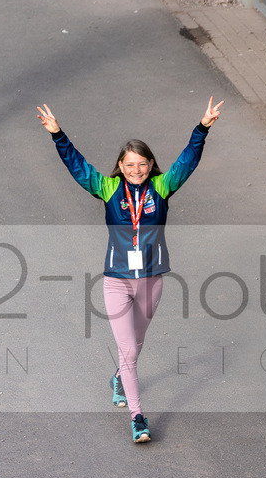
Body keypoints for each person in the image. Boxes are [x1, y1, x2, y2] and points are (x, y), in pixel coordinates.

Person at [37, 98, 224, 443]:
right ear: (120, 166)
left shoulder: (162, 187)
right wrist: (58, 135)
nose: (136, 169)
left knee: (137, 345)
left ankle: (119, 378)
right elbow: (78, 166)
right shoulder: (107, 189)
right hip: (117, 282)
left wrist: (203, 128)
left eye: (141, 164)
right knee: (128, 351)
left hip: (152, 281)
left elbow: (188, 161)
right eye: (129, 164)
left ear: (151, 164)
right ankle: (138, 417)